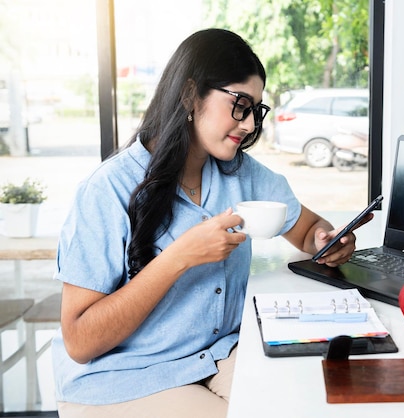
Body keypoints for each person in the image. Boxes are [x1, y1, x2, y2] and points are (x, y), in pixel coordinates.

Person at [51, 28, 371, 418]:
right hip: (124, 376)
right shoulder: (107, 190)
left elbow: (305, 229)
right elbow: (80, 341)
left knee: (308, 401)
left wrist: (327, 239)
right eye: (240, 104)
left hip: (215, 356)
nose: (251, 123)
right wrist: (178, 258)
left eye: (256, 109)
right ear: (190, 95)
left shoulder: (241, 174)